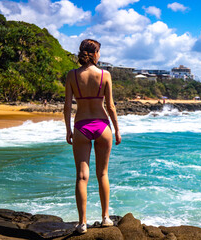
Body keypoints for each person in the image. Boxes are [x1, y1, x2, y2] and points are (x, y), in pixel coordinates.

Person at [64, 39, 121, 234]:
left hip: (81, 126)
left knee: (81, 176)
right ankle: (106, 218)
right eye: (99, 52)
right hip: (102, 126)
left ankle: (82, 223)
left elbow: (67, 106)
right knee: (103, 174)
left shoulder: (72, 75)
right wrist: (117, 129)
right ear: (95, 53)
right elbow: (111, 106)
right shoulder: (105, 75)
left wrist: (68, 130)